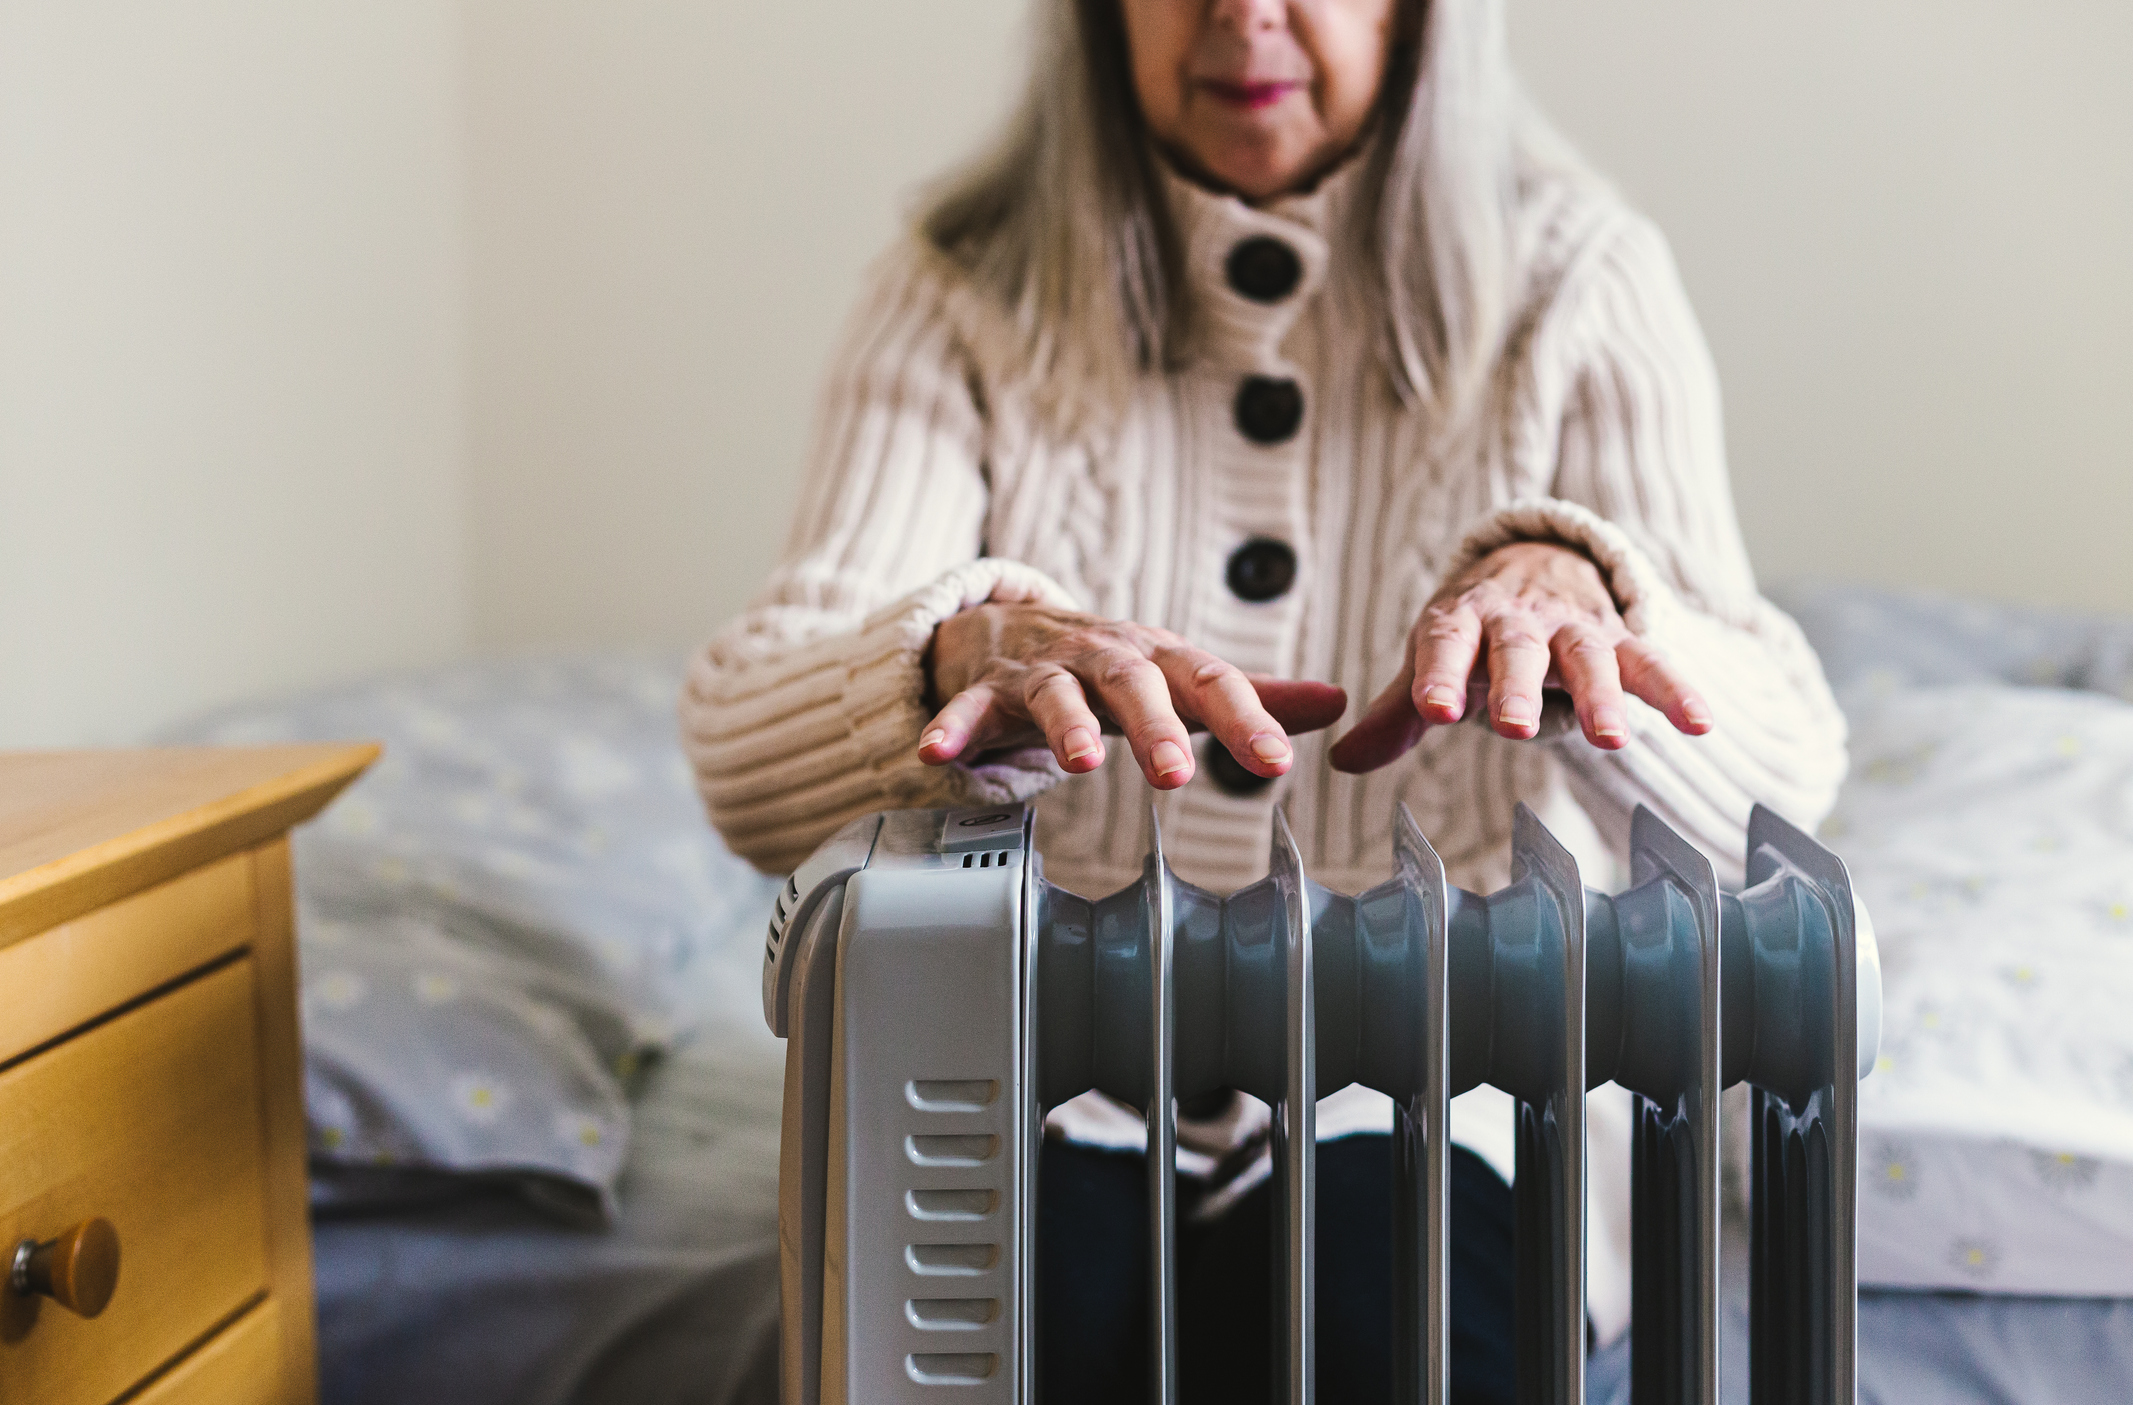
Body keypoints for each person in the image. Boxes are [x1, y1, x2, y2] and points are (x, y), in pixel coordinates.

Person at [682, 0, 1846, 1398]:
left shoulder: (1582, 283)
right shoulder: (956, 291)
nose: (1245, 11)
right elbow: (746, 763)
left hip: (1447, 1084)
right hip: (1027, 1061)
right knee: (1005, 1323)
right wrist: (945, 660)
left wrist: (1593, 596)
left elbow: (1781, 792)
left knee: (1388, 1318)